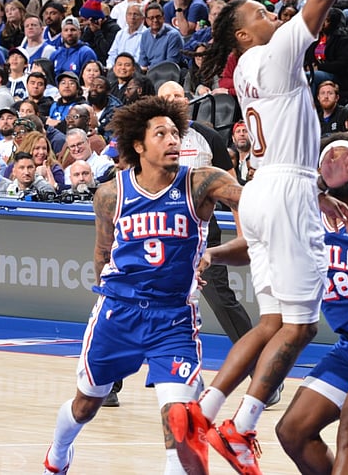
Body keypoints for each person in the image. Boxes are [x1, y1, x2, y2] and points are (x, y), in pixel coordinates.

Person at [182, 0, 348, 475]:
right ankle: (241, 428)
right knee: (299, 324)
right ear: (244, 35)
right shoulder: (271, 55)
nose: (275, 16)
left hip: (261, 188)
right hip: (288, 187)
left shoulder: (245, 69)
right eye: (262, 15)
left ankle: (205, 407)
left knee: (270, 320)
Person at [41, 96, 243, 475]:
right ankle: (59, 451)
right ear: (138, 144)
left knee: (180, 430)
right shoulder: (111, 194)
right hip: (118, 313)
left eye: (174, 133)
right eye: (161, 133)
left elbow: (250, 201)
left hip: (174, 319)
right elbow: (102, 255)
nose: (172, 140)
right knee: (86, 404)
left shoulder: (201, 182)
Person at [218, 132, 348, 473]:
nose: (335, 166)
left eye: (346, 161)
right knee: (293, 432)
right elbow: (255, 246)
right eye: (329, 160)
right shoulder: (306, 216)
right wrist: (207, 255)